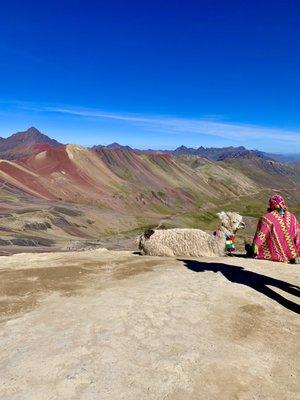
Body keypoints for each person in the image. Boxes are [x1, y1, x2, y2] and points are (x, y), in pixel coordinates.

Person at [250, 195, 300, 263]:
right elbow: (298, 234)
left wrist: (255, 244)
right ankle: (293, 257)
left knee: (259, 249)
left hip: (275, 252)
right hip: (292, 252)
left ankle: (253, 252)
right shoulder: (292, 217)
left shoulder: (267, 218)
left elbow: (261, 234)